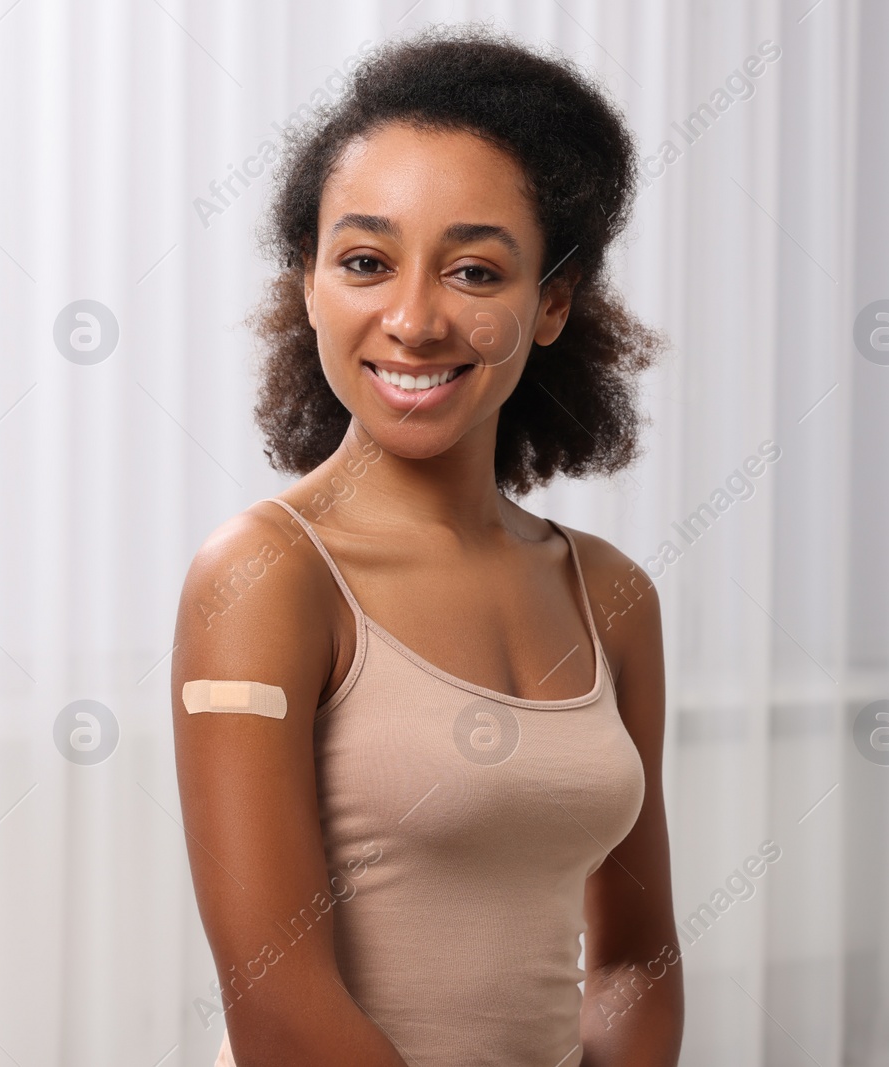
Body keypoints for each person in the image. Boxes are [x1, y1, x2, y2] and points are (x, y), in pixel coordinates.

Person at [170, 27, 682, 1066]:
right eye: (365, 261)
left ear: (549, 304)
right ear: (310, 283)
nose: (412, 318)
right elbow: (279, 1008)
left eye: (473, 271)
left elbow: (635, 960)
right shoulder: (263, 577)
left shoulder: (613, 598)